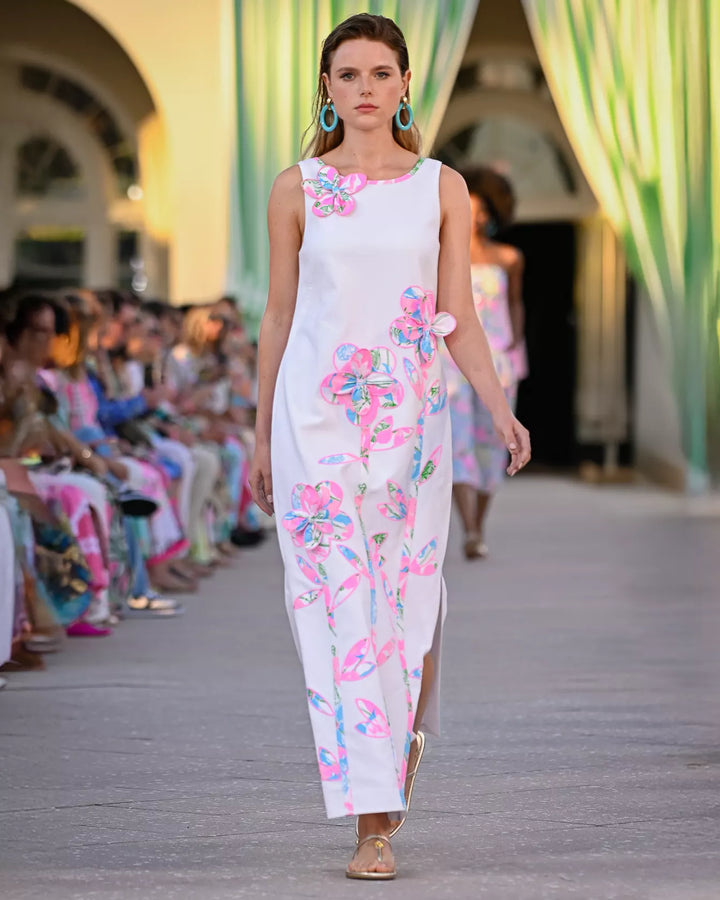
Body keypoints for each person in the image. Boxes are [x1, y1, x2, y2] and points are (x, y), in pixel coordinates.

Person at [249, 12, 531, 880]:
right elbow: (279, 316)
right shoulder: (296, 188)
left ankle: (400, 728)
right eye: (347, 75)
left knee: (407, 606)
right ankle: (371, 825)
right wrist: (258, 437)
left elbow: (459, 315)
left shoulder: (442, 187)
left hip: (410, 425)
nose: (364, 88)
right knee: (334, 614)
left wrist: (498, 407)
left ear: (406, 83)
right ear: (326, 89)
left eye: (380, 73)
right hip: (314, 425)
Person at [441, 167, 528, 559]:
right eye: (469, 208)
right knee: (457, 439)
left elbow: (515, 304)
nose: (475, 217)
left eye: (482, 210)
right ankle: (470, 529)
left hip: (499, 358)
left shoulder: (509, 257)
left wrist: (514, 342)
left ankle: (481, 520)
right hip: (453, 360)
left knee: (496, 442)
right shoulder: (443, 256)